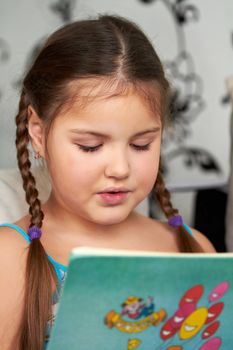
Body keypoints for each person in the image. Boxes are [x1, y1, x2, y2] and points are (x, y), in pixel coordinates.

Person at [0, 14, 215, 350]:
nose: (120, 168)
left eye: (141, 144)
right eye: (91, 146)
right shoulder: (11, 259)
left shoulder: (194, 249)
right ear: (39, 134)